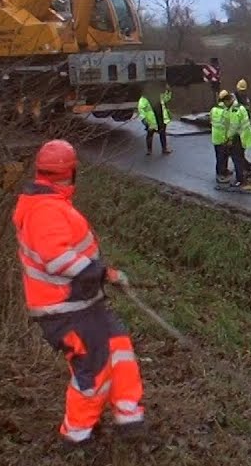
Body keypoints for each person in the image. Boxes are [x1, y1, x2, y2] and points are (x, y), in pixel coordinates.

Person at [12, 140, 148, 449]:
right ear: (71, 172)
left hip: (82, 303)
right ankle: (75, 437)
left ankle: (129, 417)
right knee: (93, 369)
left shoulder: (50, 202)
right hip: (64, 310)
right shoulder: (44, 209)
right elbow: (58, 259)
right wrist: (102, 274)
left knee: (119, 347)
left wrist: (102, 274)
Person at [231, 79, 251, 176]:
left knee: (239, 152)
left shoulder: (245, 99)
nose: (242, 92)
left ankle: (243, 171)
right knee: (237, 153)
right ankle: (243, 170)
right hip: (238, 130)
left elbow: (248, 113)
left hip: (243, 129)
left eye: (243, 91)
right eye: (241, 90)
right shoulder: (233, 98)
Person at [136, 83, 173, 156]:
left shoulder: (159, 96)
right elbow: (141, 111)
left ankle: (164, 149)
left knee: (162, 133)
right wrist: (144, 121)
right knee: (150, 134)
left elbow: (167, 98)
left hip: (161, 118)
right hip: (151, 121)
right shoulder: (143, 99)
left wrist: (168, 90)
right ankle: (149, 150)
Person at [210, 90, 235, 184]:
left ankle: (223, 171)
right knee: (223, 156)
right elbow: (229, 127)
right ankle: (220, 174)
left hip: (215, 137)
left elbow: (211, 121)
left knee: (220, 155)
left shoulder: (213, 109)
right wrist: (230, 139)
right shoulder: (225, 112)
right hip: (223, 138)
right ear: (225, 100)